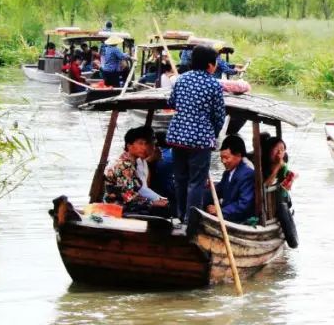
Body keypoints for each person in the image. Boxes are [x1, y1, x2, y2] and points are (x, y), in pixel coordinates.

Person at [166, 44, 227, 221]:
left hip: (177, 137)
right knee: (196, 182)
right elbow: (219, 117)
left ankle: (180, 214)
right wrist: (212, 135)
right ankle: (191, 219)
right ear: (210, 65)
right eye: (215, 62)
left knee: (180, 179)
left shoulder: (181, 80)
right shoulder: (213, 85)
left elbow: (171, 103)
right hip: (200, 141)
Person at [103, 126, 169, 216]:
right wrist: (152, 203)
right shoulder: (123, 165)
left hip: (128, 205)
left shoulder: (133, 163)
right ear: (129, 145)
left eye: (147, 144)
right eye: (140, 143)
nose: (144, 147)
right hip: (119, 208)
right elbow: (128, 196)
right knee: (161, 210)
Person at [205, 135, 256, 224]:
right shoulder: (227, 173)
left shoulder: (248, 174)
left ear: (239, 155)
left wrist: (220, 211)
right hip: (226, 213)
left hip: (239, 218)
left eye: (226, 158)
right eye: (221, 158)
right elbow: (218, 190)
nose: (223, 161)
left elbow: (244, 204)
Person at [263, 133, 298, 203]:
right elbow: (264, 187)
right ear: (268, 150)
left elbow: (285, 189)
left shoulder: (283, 167)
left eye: (282, 149)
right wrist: (278, 166)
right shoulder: (261, 167)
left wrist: (291, 179)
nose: (279, 152)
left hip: (281, 202)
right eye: (276, 149)